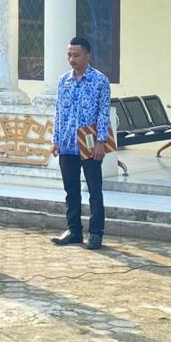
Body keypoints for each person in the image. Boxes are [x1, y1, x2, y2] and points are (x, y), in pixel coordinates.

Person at [51, 36, 111, 250]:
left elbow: (103, 113)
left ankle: (96, 233)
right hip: (67, 143)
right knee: (71, 190)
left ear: (88, 56)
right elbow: (58, 111)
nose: (72, 59)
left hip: (89, 144)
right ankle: (73, 230)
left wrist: (101, 141)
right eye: (69, 55)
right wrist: (55, 140)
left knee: (94, 190)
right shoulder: (63, 81)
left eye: (76, 55)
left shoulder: (100, 81)